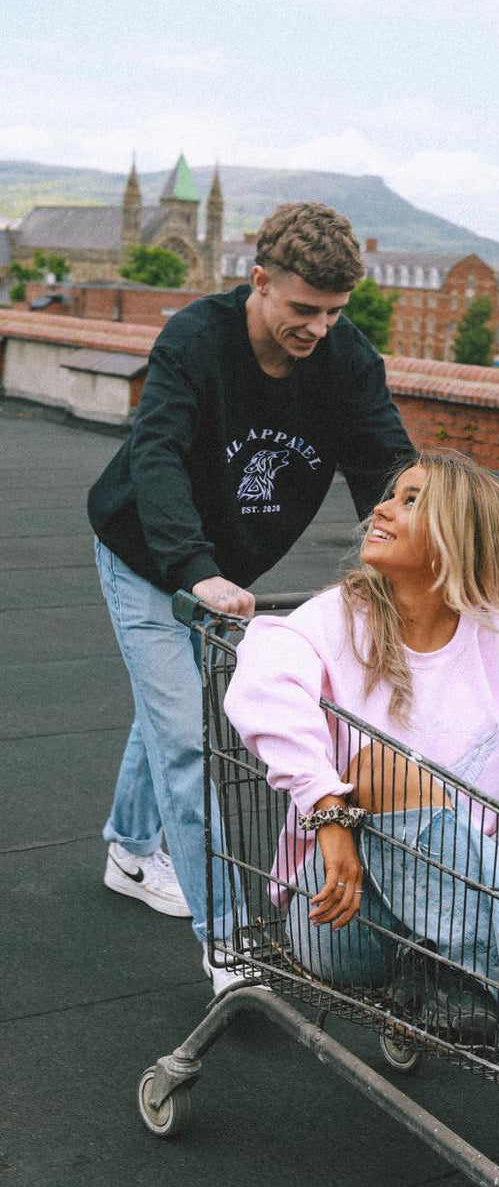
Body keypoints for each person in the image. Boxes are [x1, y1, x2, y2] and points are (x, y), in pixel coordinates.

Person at [224, 450, 499, 1039]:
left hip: (477, 895)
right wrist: (327, 810)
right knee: (383, 766)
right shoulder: (339, 618)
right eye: (393, 494)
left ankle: (458, 977)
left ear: (456, 539)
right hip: (355, 910)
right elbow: (262, 685)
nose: (380, 508)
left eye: (411, 501)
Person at [87, 201, 415, 992]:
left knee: (167, 706)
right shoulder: (197, 338)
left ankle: (130, 851)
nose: (319, 327)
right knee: (189, 745)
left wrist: (429, 545)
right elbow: (157, 453)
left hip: (229, 572)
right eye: (304, 309)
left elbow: (385, 464)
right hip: (146, 553)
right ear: (259, 281)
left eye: (336, 312)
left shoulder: (345, 360)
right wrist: (192, 568)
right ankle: (229, 945)